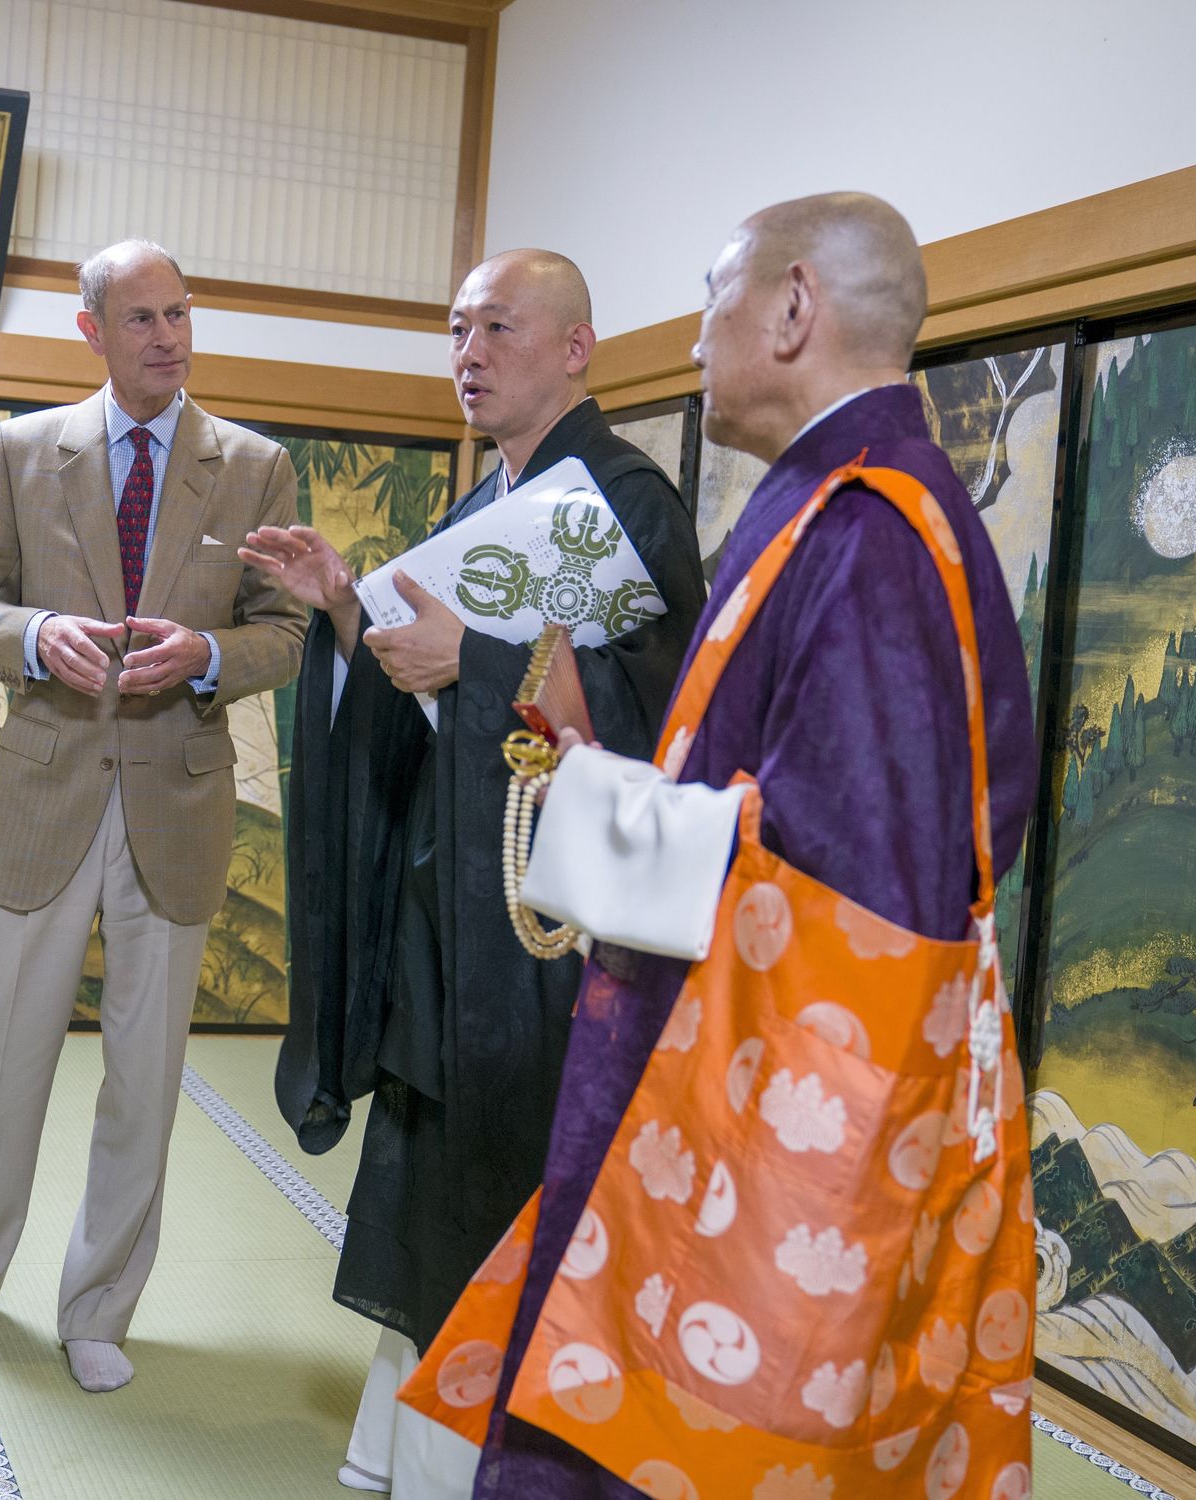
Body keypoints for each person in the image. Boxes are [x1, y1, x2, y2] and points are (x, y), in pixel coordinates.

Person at [433, 193, 1039, 1497]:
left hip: (760, 1109)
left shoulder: (873, 526)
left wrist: (591, 807)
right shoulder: (826, 495)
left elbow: (858, 886)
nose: (696, 341)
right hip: (690, 1049)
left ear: (794, 308)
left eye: (712, 297)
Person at [241, 250, 705, 1493]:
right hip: (448, 919)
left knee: (522, 1185)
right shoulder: (481, 506)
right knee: (433, 1166)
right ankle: (420, 1445)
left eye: (496, 326)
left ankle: (515, 1458)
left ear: (574, 349)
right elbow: (417, 684)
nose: (466, 352)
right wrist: (347, 614)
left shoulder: (627, 503)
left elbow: (659, 717)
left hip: (553, 943)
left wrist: (482, 660)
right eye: (455, 329)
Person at [0, 240, 307, 1393]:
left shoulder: (255, 464)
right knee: (0, 1056)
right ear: (91, 330)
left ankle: (98, 1307)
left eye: (179, 314)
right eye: (140, 318)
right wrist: (35, 638)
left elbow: (287, 628)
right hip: (45, 786)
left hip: (178, 796)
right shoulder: (22, 450)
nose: (167, 336)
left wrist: (212, 653)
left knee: (146, 1068)